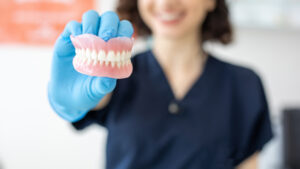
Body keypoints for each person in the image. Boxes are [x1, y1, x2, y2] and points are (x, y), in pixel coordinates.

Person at [48, 0, 273, 168]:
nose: (166, 3)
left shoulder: (244, 85)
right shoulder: (114, 74)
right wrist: (67, 102)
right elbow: (86, 104)